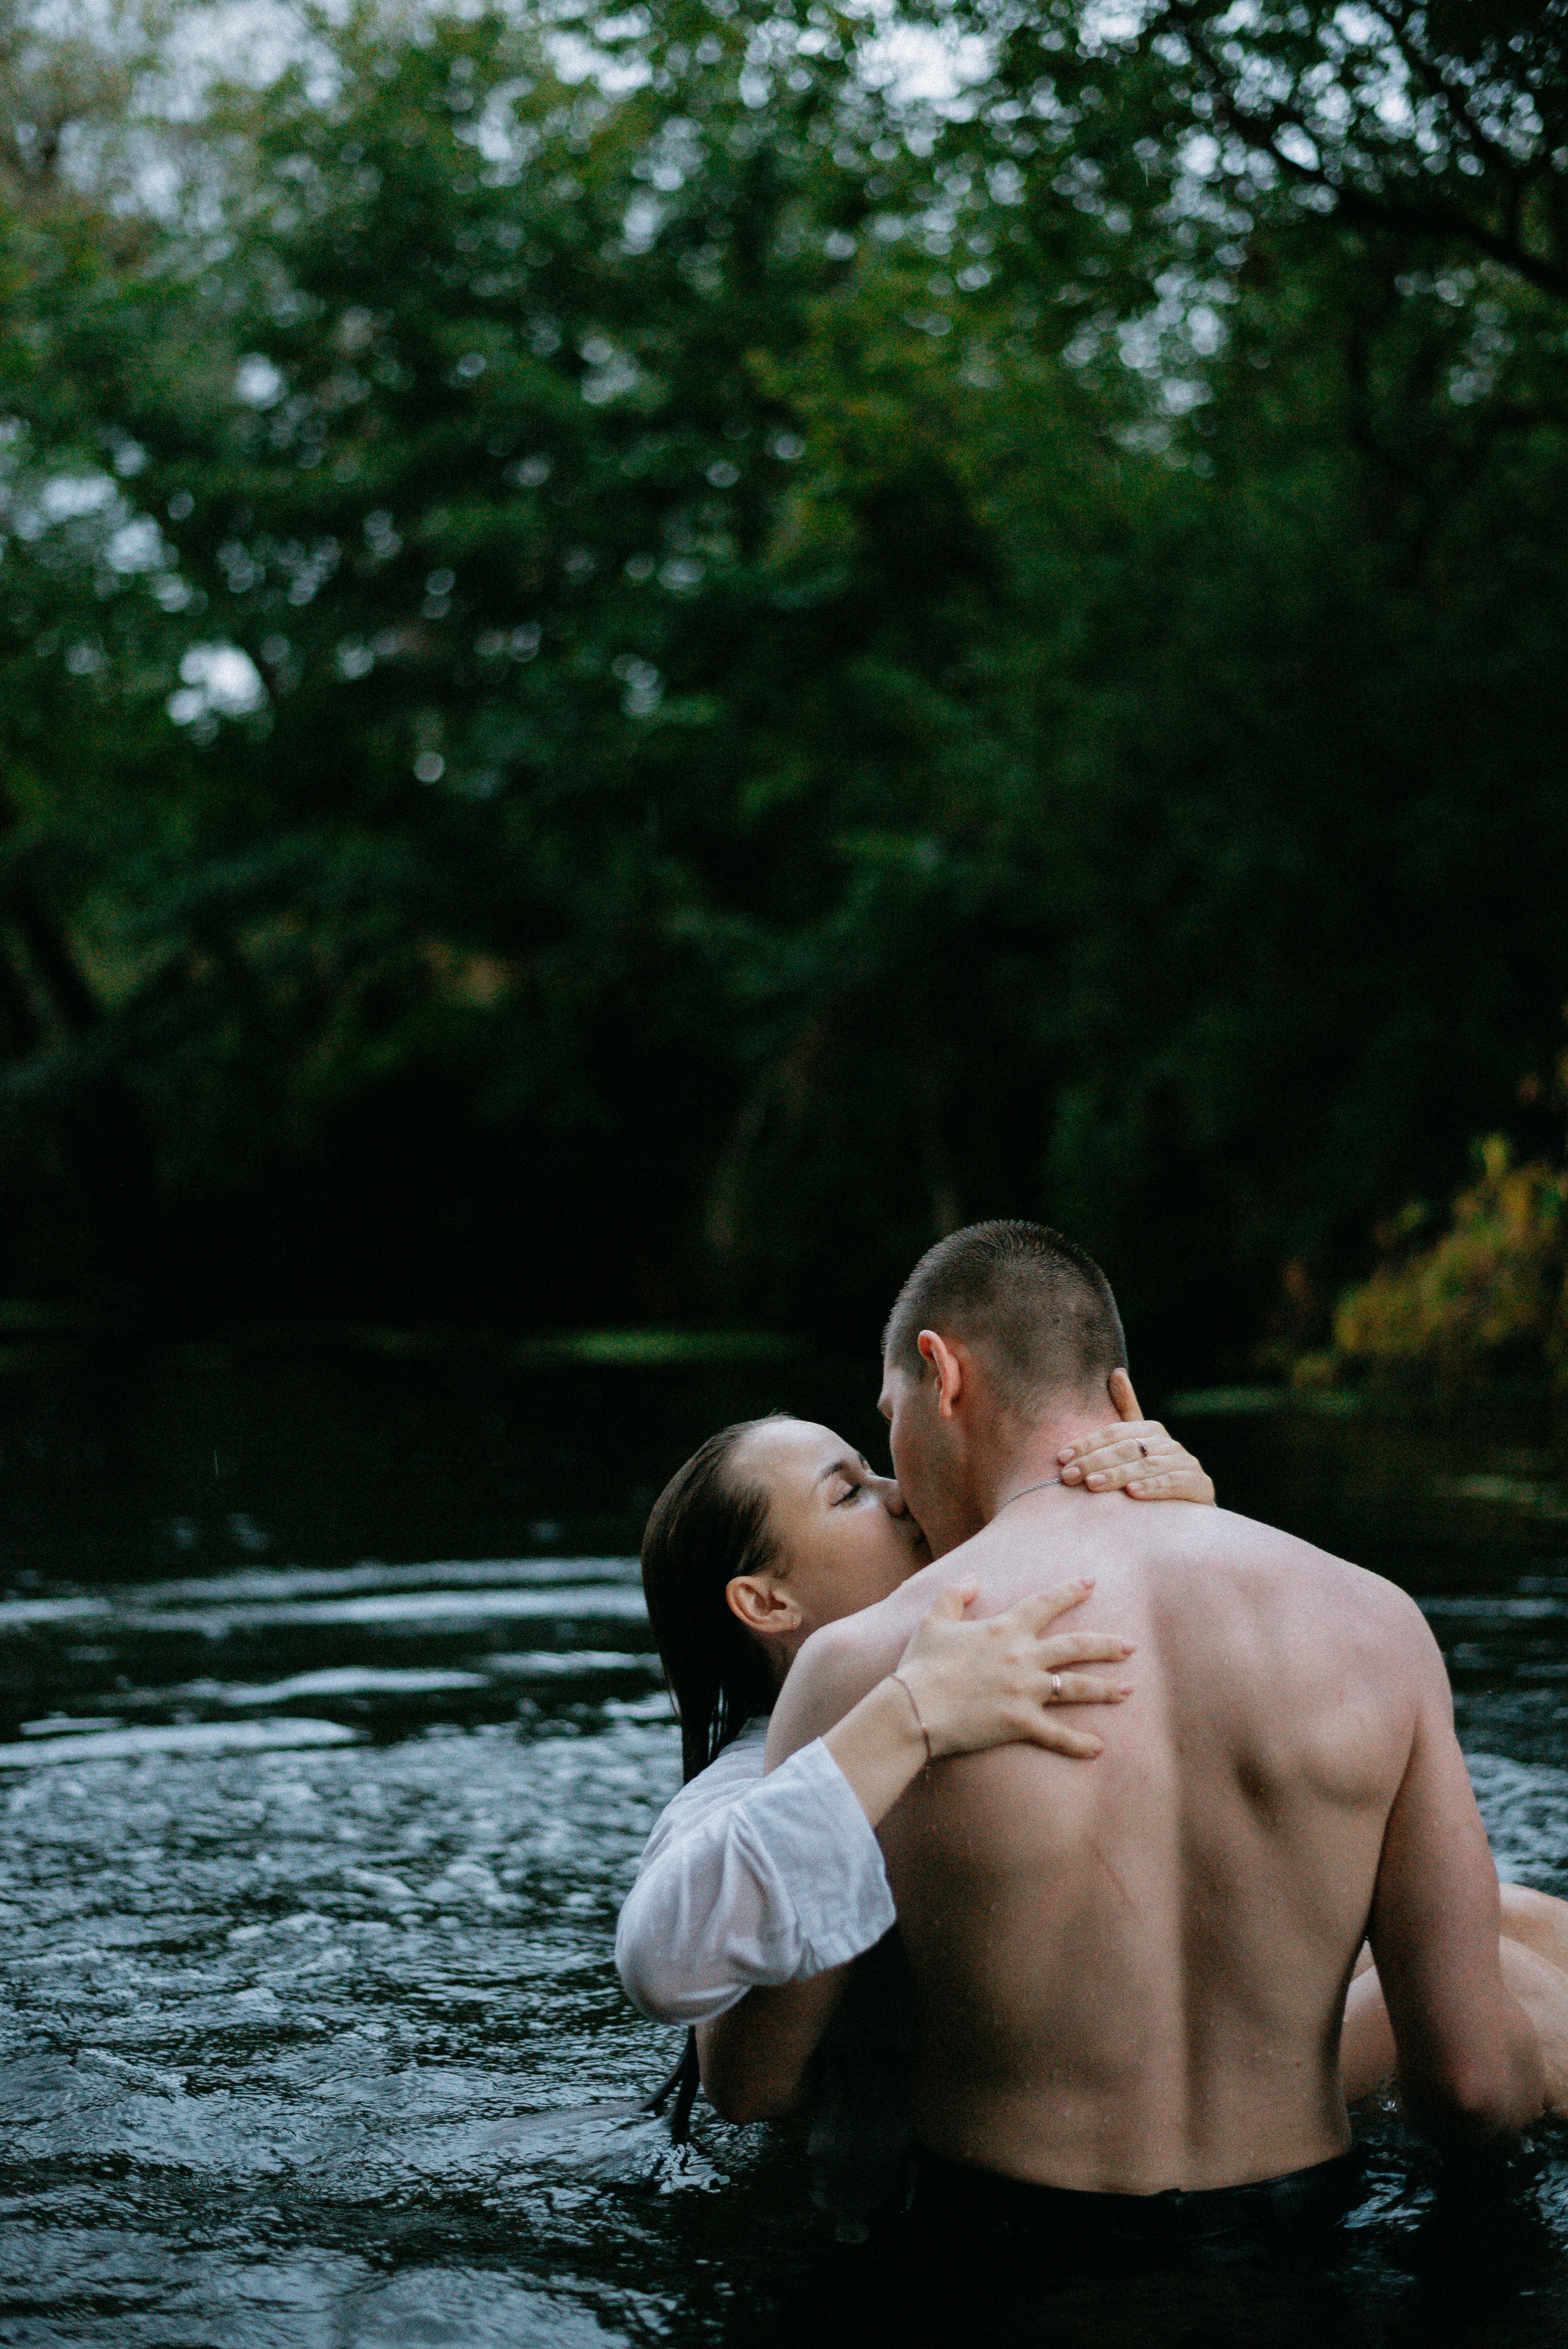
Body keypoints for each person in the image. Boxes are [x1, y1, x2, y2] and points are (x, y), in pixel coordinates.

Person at [748, 1220, 1560, 2256]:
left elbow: (759, 2079)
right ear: (1118, 1391)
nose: (899, 1484)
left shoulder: (866, 1667)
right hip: (1301, 2254)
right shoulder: (1378, 1622)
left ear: (939, 1371)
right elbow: (1470, 2086)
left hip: (995, 2266)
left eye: (888, 1423)